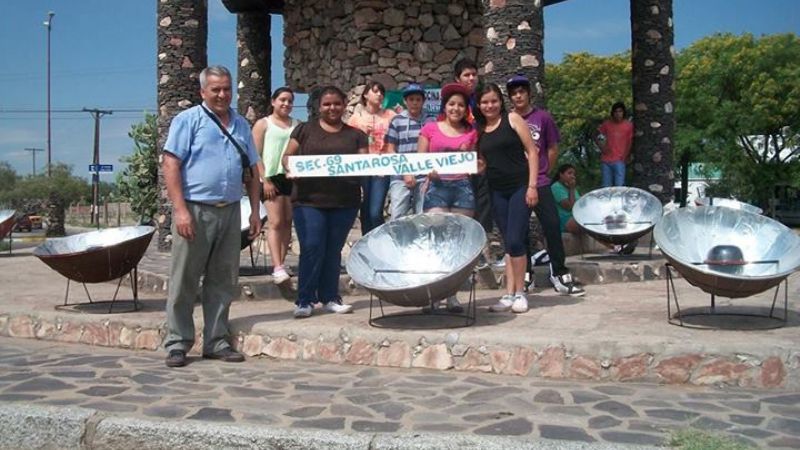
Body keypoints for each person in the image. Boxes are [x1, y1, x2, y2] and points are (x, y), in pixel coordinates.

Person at [162, 65, 261, 368]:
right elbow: (170, 164)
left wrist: (255, 211)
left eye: (227, 88)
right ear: (203, 91)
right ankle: (178, 342)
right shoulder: (187, 121)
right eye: (215, 89)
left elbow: (253, 171)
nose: (222, 94)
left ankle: (216, 341)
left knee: (223, 279)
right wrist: (180, 211)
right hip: (194, 210)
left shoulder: (242, 124)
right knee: (184, 280)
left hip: (230, 211)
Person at [283, 86, 369, 318]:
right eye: (326, 104)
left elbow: (365, 163)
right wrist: (290, 168)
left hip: (345, 201)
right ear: (319, 107)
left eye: (337, 104)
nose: (332, 108)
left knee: (333, 250)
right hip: (308, 200)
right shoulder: (304, 130)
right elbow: (287, 156)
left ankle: (331, 297)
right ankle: (305, 299)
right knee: (311, 247)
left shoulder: (356, 135)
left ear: (344, 105)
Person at [506, 74, 585, 297]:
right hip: (517, 183)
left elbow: (552, 147)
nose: (518, 95)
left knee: (551, 225)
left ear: (529, 93)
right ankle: (527, 274)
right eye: (514, 93)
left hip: (539, 181)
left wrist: (543, 170)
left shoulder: (543, 118)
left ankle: (559, 272)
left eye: (521, 91)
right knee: (519, 230)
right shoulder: (508, 120)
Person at [475, 83, 540, 314]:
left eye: (493, 101)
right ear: (479, 105)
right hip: (496, 190)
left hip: (520, 187)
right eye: (484, 102)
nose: (489, 105)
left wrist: (532, 186)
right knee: (507, 243)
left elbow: (532, 151)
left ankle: (521, 292)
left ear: (500, 101)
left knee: (515, 240)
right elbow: (484, 162)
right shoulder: (480, 129)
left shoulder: (513, 119)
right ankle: (509, 293)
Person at [419, 82, 478, 313]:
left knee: (457, 244)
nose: (456, 108)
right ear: (445, 106)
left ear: (466, 109)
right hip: (436, 188)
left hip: (462, 187)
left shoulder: (471, 132)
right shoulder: (430, 128)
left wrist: (470, 156)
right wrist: (427, 171)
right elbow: (419, 158)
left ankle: (452, 296)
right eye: (452, 104)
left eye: (461, 105)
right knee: (435, 243)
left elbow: (476, 163)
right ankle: (434, 295)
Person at [252, 87, 300, 285]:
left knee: (288, 221)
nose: (286, 104)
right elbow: (254, 154)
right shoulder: (263, 124)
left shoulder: (298, 125)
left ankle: (281, 263)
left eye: (290, 101)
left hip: (291, 177)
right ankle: (276, 265)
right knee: (276, 221)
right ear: (273, 101)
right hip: (271, 176)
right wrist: (265, 180)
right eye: (282, 100)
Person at [453, 58, 493, 267]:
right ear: (457, 79)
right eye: (466, 75)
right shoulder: (453, 104)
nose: (471, 78)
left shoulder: (482, 100)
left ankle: (483, 254)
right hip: (459, 169)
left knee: (484, 208)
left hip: (482, 165)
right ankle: (465, 256)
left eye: (473, 74)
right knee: (464, 210)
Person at [348, 81, 396, 235]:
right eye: (375, 91)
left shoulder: (390, 115)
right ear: (365, 95)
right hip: (362, 168)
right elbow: (348, 143)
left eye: (381, 92)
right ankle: (367, 244)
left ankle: (381, 242)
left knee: (375, 212)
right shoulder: (355, 118)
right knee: (365, 211)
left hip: (382, 168)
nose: (379, 95)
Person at [385, 83, 429, 219]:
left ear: (423, 101)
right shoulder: (397, 121)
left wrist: (429, 176)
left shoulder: (430, 121)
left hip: (423, 177)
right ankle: (397, 241)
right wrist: (405, 171)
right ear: (405, 101)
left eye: (418, 99)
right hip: (400, 176)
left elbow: (433, 150)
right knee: (397, 216)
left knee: (422, 217)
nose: (415, 103)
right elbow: (390, 149)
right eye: (411, 99)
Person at [595, 102, 634, 187]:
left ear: (623, 113)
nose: (618, 114)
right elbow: (598, 136)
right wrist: (602, 147)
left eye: (620, 111)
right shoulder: (607, 124)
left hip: (620, 159)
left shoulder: (628, 126)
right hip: (606, 159)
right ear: (613, 113)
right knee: (606, 186)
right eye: (616, 111)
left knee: (619, 186)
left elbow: (630, 142)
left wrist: (627, 155)